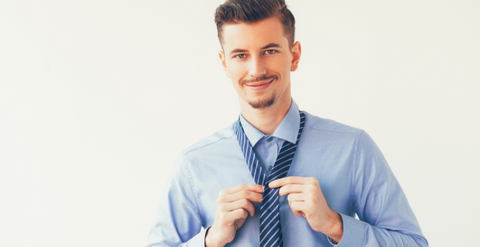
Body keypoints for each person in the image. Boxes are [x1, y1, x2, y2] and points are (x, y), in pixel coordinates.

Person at [147, 0, 428, 246]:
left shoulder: (352, 149)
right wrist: (211, 239)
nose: (256, 70)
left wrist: (335, 225)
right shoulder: (194, 165)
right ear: (224, 63)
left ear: (294, 55)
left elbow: (413, 244)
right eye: (240, 55)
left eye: (269, 51)